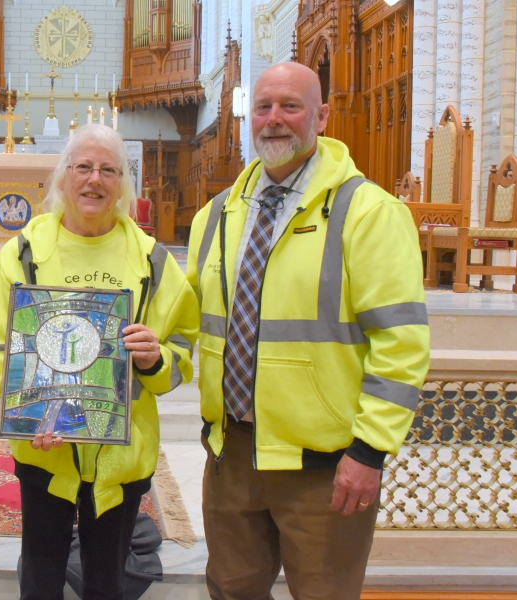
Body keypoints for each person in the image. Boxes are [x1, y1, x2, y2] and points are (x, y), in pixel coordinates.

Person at [187, 62, 430, 599]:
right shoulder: (218, 215)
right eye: (264, 107)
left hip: (325, 467)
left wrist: (369, 452)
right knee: (231, 592)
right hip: (233, 456)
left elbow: (402, 346)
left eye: (290, 107)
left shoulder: (368, 213)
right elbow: (188, 328)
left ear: (321, 116)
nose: (274, 120)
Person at [0, 124, 199, 600]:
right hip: (46, 447)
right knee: (40, 580)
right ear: (62, 177)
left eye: (107, 170)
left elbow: (183, 348)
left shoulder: (152, 262)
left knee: (107, 583)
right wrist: (28, 411)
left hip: (121, 454)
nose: (93, 179)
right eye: (82, 167)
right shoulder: (23, 255)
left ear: (122, 183)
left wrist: (156, 358)